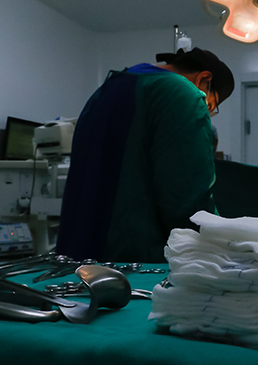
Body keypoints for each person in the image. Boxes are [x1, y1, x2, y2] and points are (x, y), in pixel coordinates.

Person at [56, 47, 234, 263]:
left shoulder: (109, 88)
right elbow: (186, 193)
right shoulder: (181, 92)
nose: (206, 111)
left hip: (77, 250)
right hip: (133, 257)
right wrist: (220, 243)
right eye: (210, 105)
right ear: (204, 79)